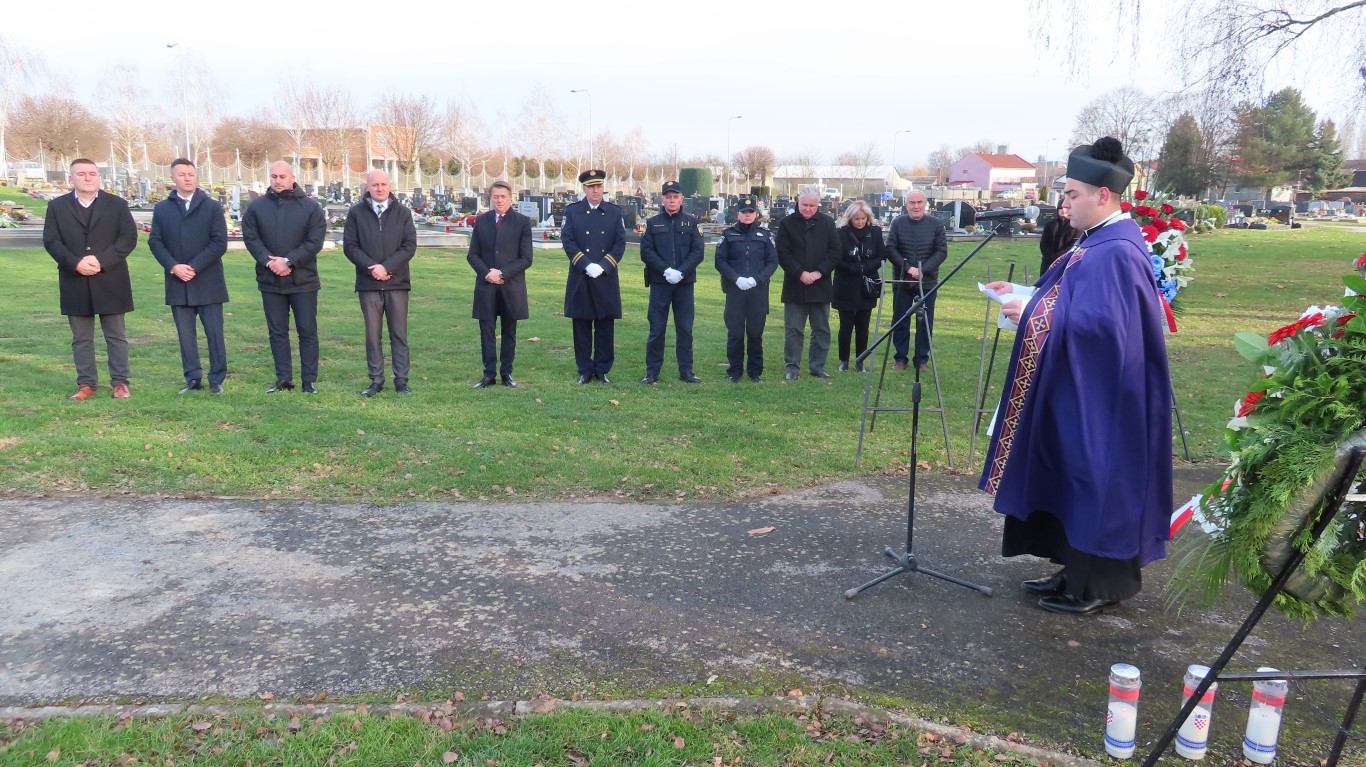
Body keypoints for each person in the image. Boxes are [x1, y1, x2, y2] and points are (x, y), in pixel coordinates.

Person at [979, 136, 1173, 617]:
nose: (1064, 204)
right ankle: (1072, 570)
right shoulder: (1097, 241)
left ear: (1102, 195)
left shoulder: (1118, 250)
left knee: (1095, 479)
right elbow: (1071, 302)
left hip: (1107, 397)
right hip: (1081, 386)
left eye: (1071, 194)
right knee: (1071, 473)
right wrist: (1025, 295)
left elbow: (1107, 329)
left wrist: (1030, 311)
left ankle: (1098, 584)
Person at [43, 158, 138, 400]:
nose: (88, 178)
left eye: (92, 174)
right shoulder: (57, 206)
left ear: (98, 177)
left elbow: (128, 238)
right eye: (82, 174)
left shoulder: (117, 205)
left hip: (110, 278)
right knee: (81, 338)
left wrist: (101, 261)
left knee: (116, 336)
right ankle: (86, 384)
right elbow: (52, 241)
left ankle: (120, 383)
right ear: (71, 178)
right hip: (74, 279)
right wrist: (75, 263)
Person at [241, 161, 326, 394]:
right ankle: (283, 379)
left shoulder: (310, 207)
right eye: (274, 176)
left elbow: (314, 241)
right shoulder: (257, 207)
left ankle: (308, 381)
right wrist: (270, 262)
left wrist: (289, 261)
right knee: (277, 332)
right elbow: (251, 238)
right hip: (270, 280)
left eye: (282, 176)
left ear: (292, 178)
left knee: (307, 331)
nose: (278, 181)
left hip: (304, 280)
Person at [149, 158, 229, 395]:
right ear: (173, 178)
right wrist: (173, 266)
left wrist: (193, 267)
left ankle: (216, 379)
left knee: (214, 333)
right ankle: (193, 378)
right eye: (182, 174)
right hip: (178, 282)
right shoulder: (162, 209)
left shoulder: (212, 207)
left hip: (207, 281)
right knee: (185, 335)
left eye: (191, 174)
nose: (187, 178)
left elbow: (219, 242)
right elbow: (155, 242)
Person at [343, 169, 417, 396]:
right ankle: (376, 379)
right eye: (375, 185)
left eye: (383, 184)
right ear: (368, 187)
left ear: (389, 186)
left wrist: (387, 267)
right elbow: (350, 246)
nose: (379, 188)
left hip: (397, 283)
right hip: (369, 284)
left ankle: (401, 380)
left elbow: (409, 246)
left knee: (399, 333)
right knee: (373, 335)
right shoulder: (356, 213)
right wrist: (373, 268)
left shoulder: (403, 213)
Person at [561, 169, 625, 384]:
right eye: (591, 187)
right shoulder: (572, 211)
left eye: (598, 186)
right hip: (581, 274)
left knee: (605, 325)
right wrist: (586, 265)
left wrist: (604, 266)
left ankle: (602, 369)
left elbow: (620, 244)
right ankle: (585, 369)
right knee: (581, 324)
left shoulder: (614, 212)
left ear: (603, 187)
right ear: (584, 189)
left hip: (605, 276)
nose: (595, 190)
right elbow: (568, 241)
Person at [466, 180, 533, 388]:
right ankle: (488, 374)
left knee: (509, 331)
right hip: (486, 285)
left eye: (503, 197)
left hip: (510, 286)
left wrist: (502, 273)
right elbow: (473, 254)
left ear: (510, 198)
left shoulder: (522, 222)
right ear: (490, 198)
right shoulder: (482, 221)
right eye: (496, 197)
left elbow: (526, 258)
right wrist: (487, 273)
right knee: (486, 330)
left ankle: (506, 373)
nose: (500, 200)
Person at [639, 180, 705, 384]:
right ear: (662, 199)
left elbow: (698, 252)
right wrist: (666, 270)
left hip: (684, 284)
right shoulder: (652, 223)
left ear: (681, 199)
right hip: (660, 283)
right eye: (668, 197)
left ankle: (686, 371)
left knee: (685, 329)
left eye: (675, 197)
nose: (672, 200)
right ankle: (652, 372)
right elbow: (646, 252)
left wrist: (681, 272)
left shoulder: (692, 223)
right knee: (657, 329)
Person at [775, 190, 840, 380]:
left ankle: (817, 367)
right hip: (795, 285)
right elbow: (782, 253)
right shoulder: (786, 224)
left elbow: (835, 251)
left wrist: (819, 272)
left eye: (812, 206)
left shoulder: (827, 223)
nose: (808, 209)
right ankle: (792, 367)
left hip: (821, 284)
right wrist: (800, 273)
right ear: (798, 203)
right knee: (794, 329)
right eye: (805, 205)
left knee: (821, 329)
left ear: (818, 205)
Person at [714, 196, 778, 382]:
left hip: (758, 291)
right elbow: (720, 261)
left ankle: (755, 372)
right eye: (744, 212)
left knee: (755, 332)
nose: (747, 215)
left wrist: (757, 279)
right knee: (735, 333)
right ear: (738, 214)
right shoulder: (728, 235)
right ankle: (734, 371)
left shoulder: (765, 235)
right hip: (735, 290)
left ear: (756, 214)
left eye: (751, 212)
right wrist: (736, 278)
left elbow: (772, 261)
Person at [886, 190, 948, 370]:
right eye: (912, 202)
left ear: (925, 204)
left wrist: (923, 270)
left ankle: (921, 360)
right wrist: (907, 268)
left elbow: (941, 251)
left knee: (925, 322)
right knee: (900, 320)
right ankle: (900, 358)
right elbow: (890, 248)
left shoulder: (936, 224)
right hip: (903, 281)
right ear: (906, 205)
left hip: (927, 281)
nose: (916, 206)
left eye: (919, 202)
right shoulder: (898, 223)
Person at [832, 201, 886, 373]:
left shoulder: (875, 232)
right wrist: (851, 268)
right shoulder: (841, 233)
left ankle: (860, 361)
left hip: (866, 285)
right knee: (845, 326)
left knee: (863, 326)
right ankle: (844, 360)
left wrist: (866, 267)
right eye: (857, 219)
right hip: (846, 284)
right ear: (850, 218)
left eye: (863, 218)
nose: (860, 222)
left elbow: (881, 256)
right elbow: (836, 257)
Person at [1037, 204, 1079, 272]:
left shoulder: (1075, 225)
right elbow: (1044, 243)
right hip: (1048, 262)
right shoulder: (1050, 224)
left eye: (1066, 208)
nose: (1063, 210)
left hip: (1066, 262)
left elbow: (1074, 245)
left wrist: (1059, 257)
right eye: (1060, 208)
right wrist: (1050, 257)